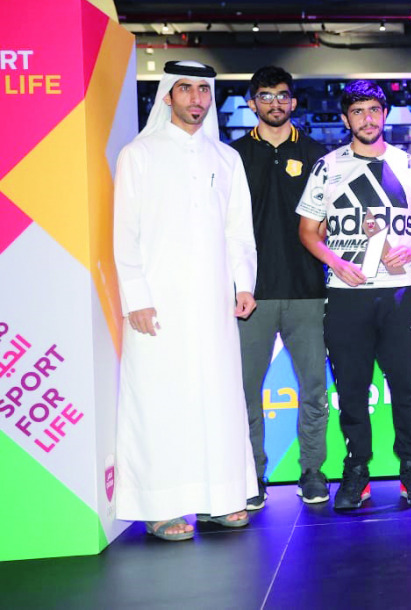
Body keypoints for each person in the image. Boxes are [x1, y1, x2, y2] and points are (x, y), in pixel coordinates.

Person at [112, 60, 258, 541]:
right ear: (167, 96)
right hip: (158, 304)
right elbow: (124, 232)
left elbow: (239, 231)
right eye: (186, 89)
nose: (196, 98)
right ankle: (161, 506)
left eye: (203, 89)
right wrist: (136, 297)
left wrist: (243, 284)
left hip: (214, 304)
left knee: (218, 400)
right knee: (161, 400)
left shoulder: (226, 158)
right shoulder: (139, 154)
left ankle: (221, 499)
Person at [297, 80, 411, 509]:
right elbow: (308, 231)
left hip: (398, 293)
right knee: (352, 390)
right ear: (346, 119)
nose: (367, 118)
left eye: (374, 109)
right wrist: (335, 263)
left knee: (406, 387)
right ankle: (356, 471)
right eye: (358, 111)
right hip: (347, 294)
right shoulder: (327, 168)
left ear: (385, 114)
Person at [230, 66, 330, 508]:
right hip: (250, 294)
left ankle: (312, 471)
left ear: (294, 101)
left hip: (308, 290)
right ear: (252, 102)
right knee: (245, 392)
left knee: (314, 388)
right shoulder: (231, 156)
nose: (275, 103)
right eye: (266, 96)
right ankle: (252, 475)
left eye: (283, 95)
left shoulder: (317, 155)